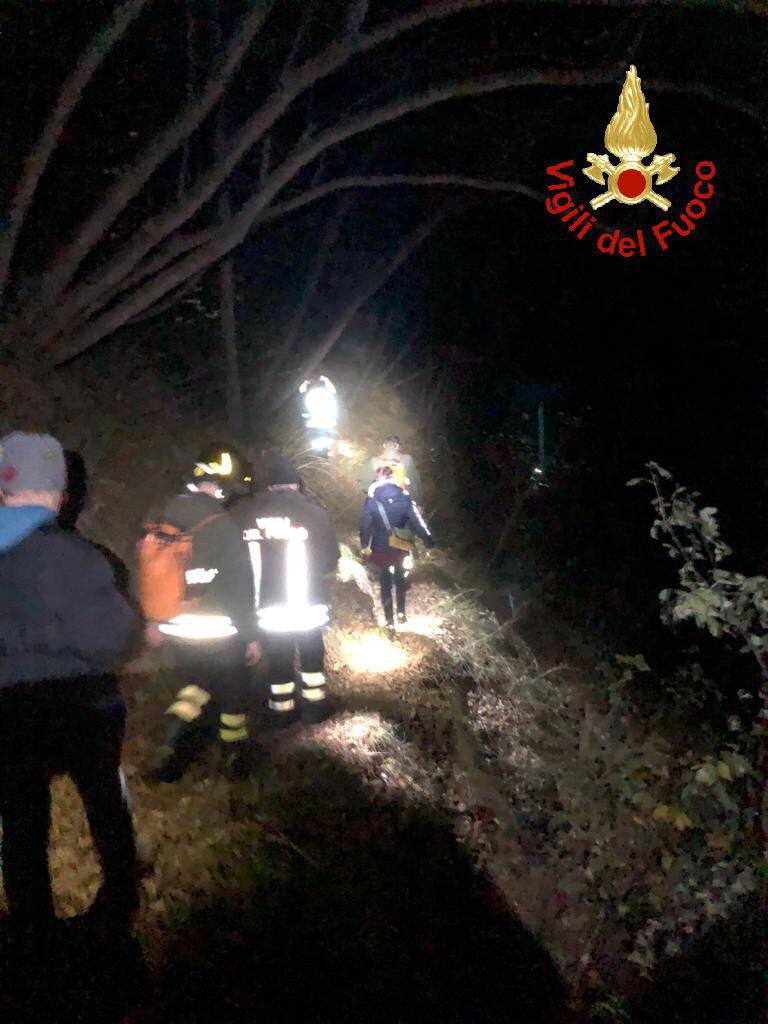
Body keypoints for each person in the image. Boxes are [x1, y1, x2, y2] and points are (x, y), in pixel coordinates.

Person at [0, 432, 140, 932]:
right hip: (83, 706)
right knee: (104, 800)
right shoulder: (77, 558)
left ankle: (32, 925)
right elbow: (113, 639)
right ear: (59, 493)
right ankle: (118, 902)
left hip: (8, 709)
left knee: (20, 820)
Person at [140, 443, 257, 782]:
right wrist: (251, 635)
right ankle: (234, 758)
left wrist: (154, 621)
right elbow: (239, 588)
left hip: (176, 627)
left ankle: (172, 741)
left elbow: (151, 572)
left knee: (196, 684)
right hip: (217, 632)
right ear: (223, 487)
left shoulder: (165, 515)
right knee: (233, 692)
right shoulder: (223, 526)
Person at [241, 455, 339, 725]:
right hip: (308, 606)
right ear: (296, 484)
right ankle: (314, 709)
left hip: (271, 607)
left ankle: (282, 713)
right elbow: (331, 560)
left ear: (270, 486)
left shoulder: (250, 517)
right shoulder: (314, 513)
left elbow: (241, 563)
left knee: (279, 659)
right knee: (311, 658)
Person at [360, 465, 433, 633]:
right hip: (400, 543)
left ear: (377, 478)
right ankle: (401, 613)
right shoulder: (404, 496)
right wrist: (428, 541)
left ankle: (390, 622)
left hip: (380, 546)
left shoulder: (372, 499)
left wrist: (364, 544)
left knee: (385, 582)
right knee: (400, 578)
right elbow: (416, 521)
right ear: (392, 477)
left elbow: (365, 524)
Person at [360, 435, 423, 507]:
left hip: (382, 504)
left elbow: (365, 486)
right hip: (403, 503)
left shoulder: (374, 461)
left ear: (384, 445)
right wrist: (418, 503)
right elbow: (415, 484)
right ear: (397, 446)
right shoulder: (407, 459)